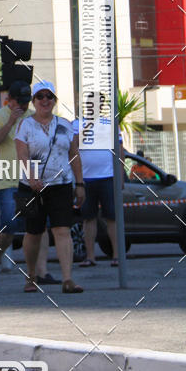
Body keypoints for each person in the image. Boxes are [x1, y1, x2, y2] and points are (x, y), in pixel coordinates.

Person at [0, 80, 58, 287]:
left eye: (26, 102)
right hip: (8, 181)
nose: (23, 106)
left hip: (32, 180)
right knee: (9, 225)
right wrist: (10, 123)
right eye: (20, 102)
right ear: (10, 100)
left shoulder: (34, 117)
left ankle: (40, 272)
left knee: (39, 227)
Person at [15, 81, 85, 293]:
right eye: (40, 96)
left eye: (49, 96)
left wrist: (80, 183)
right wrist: (32, 177)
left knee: (62, 230)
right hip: (31, 187)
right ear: (34, 101)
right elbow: (22, 154)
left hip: (60, 184)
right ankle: (31, 275)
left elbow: (74, 155)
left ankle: (67, 279)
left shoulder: (65, 125)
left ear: (54, 100)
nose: (45, 100)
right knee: (33, 232)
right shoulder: (25, 125)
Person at [74, 103, 123, 267]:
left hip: (108, 177)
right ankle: (90, 257)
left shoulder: (111, 124)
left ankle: (116, 255)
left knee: (112, 217)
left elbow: (120, 150)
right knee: (88, 218)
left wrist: (120, 178)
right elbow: (73, 148)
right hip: (86, 179)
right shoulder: (77, 124)